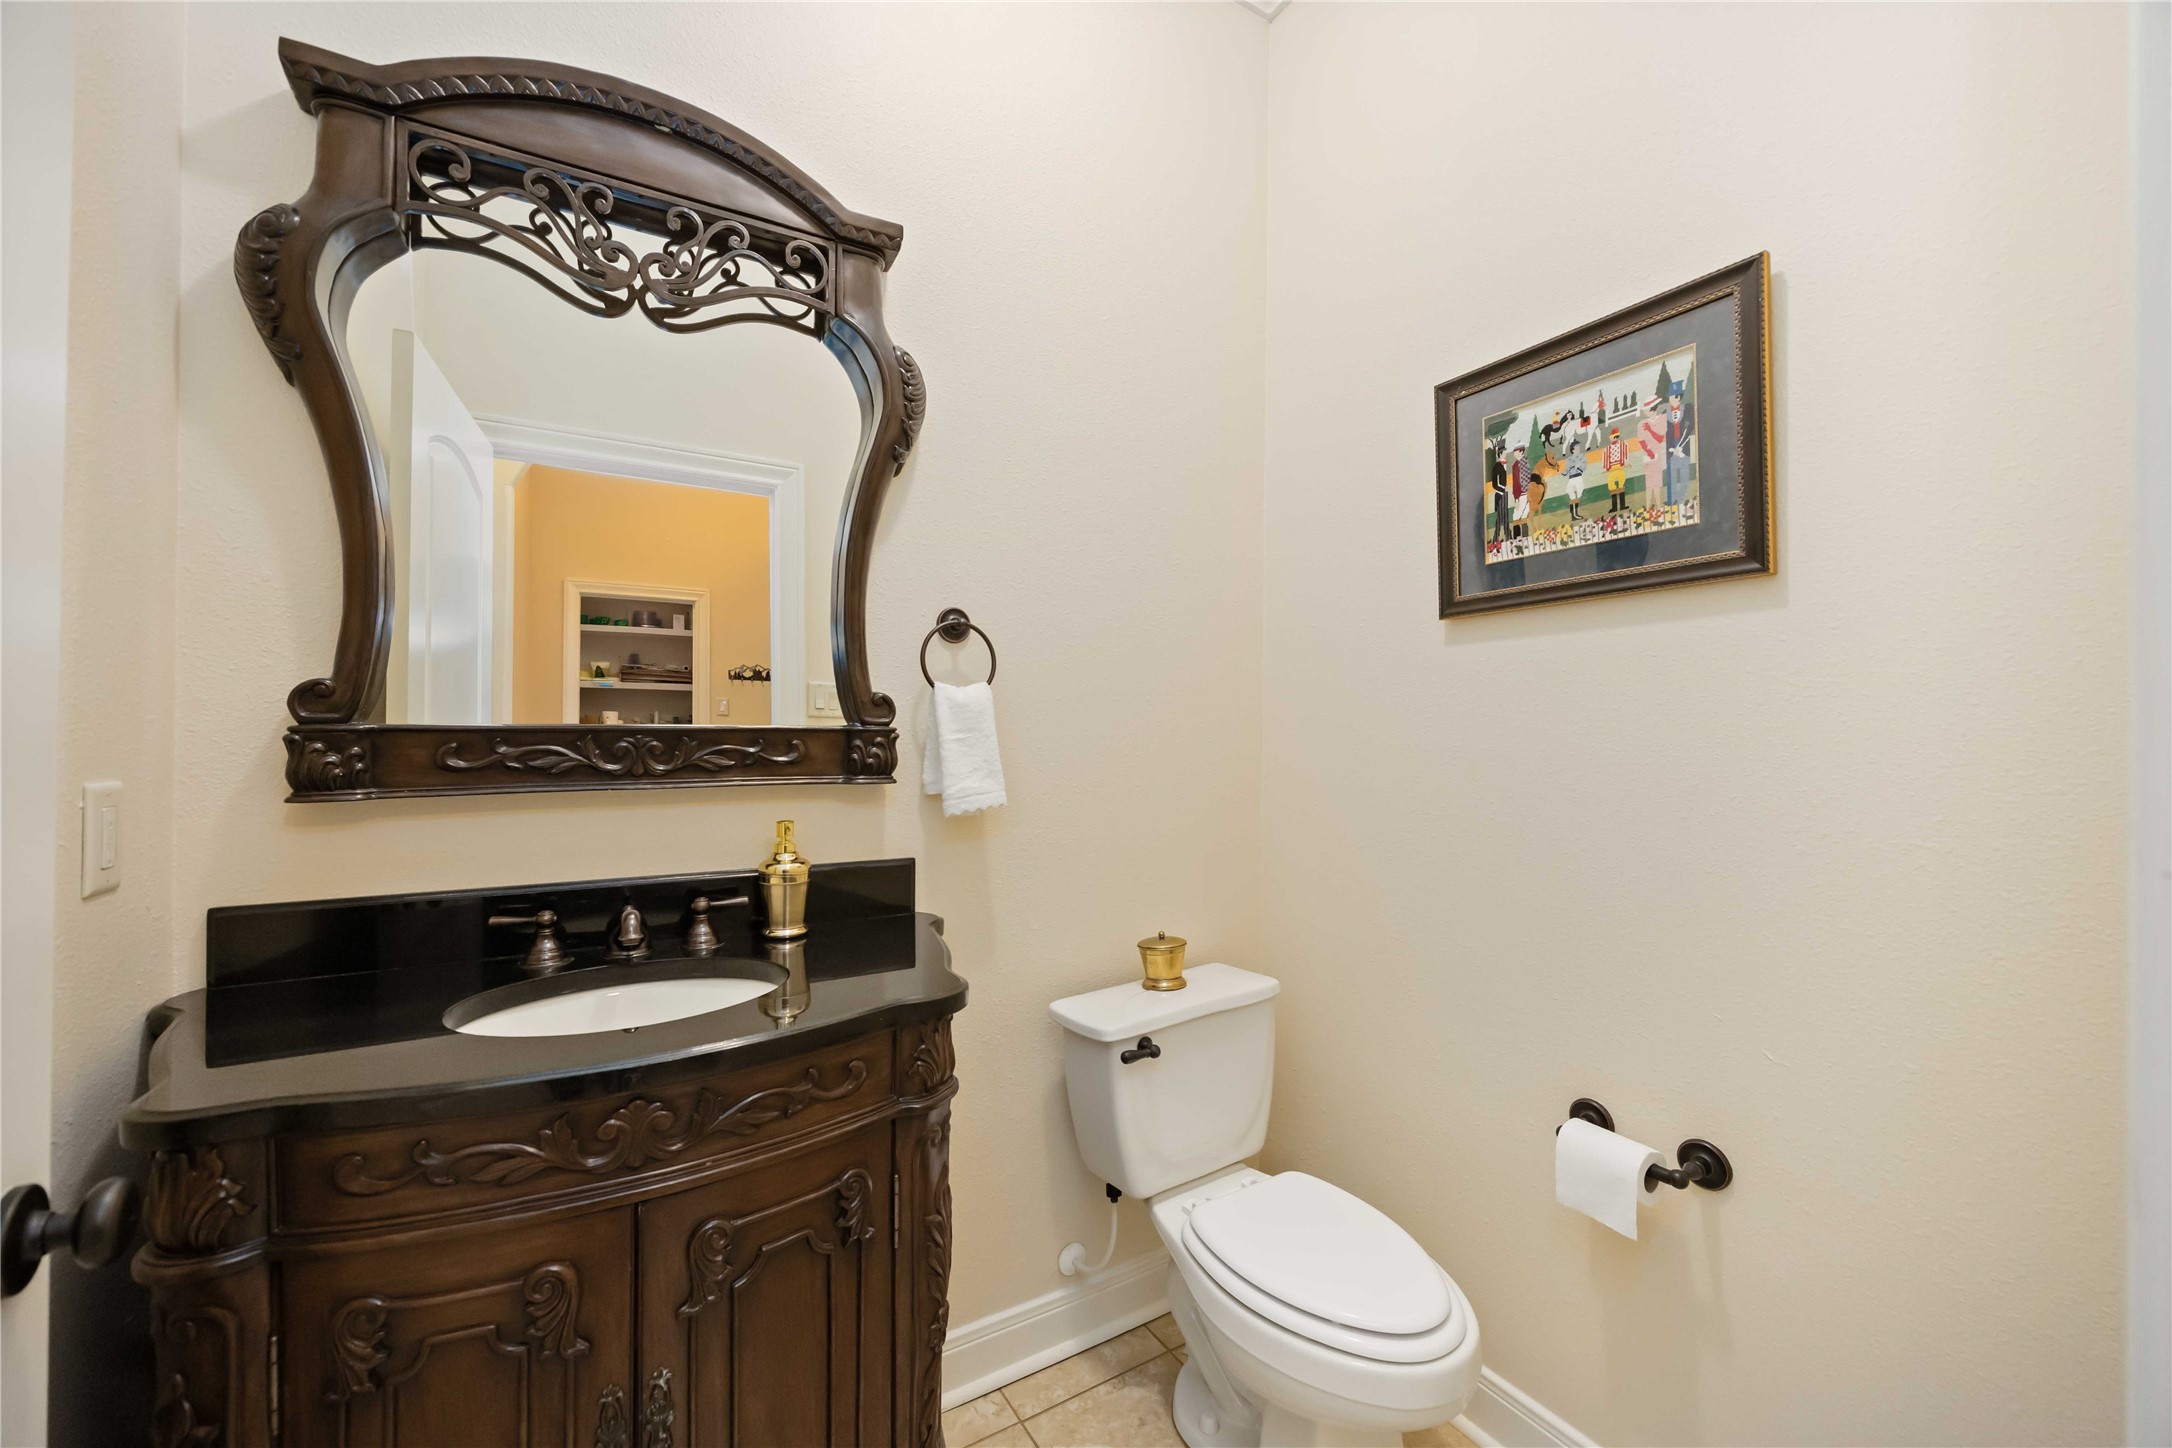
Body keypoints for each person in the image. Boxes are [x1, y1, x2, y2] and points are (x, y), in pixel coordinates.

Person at [1663, 382, 1694, 507]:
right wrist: (1672, 449)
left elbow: (1691, 425)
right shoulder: (1665, 413)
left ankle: (1680, 500)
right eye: (1670, 397)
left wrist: (1681, 446)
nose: (1671, 400)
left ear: (1678, 397)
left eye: (1673, 397)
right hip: (1671, 449)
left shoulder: (1687, 409)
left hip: (1683, 448)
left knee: (1685, 478)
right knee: (1672, 478)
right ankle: (1672, 502)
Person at [1488, 443, 1512, 543]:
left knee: (1505, 515)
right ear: (1500, 453)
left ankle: (1508, 536)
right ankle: (1495, 538)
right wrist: (1502, 490)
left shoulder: (1505, 464)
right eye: (1504, 452)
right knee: (1499, 517)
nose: (1506, 453)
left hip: (1504, 494)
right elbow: (1494, 484)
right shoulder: (1496, 466)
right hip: (1499, 494)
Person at [1603, 427, 1628, 514]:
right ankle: (1614, 507)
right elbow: (1606, 458)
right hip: (1612, 469)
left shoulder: (1622, 445)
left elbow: (1625, 454)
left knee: (1621, 485)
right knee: (1612, 486)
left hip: (1619, 467)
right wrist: (1607, 468)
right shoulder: (1608, 448)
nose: (1610, 439)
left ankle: (1622, 505)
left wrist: (1624, 463)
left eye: (1611, 437)